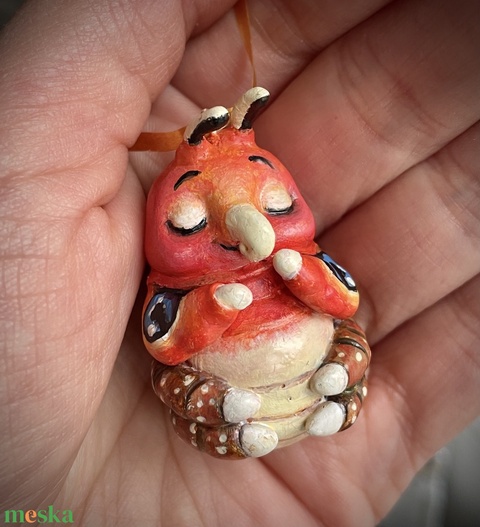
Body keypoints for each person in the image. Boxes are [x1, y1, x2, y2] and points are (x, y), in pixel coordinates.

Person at [0, 0, 478, 525]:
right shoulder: (173, 285)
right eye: (189, 221)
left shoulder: (300, 252)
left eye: (274, 204)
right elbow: (165, 342)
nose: (250, 232)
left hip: (314, 368)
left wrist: (303, 275)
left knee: (353, 341)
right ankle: (233, 423)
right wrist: (210, 309)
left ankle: (341, 390)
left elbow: (345, 300)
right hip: (225, 396)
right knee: (176, 385)